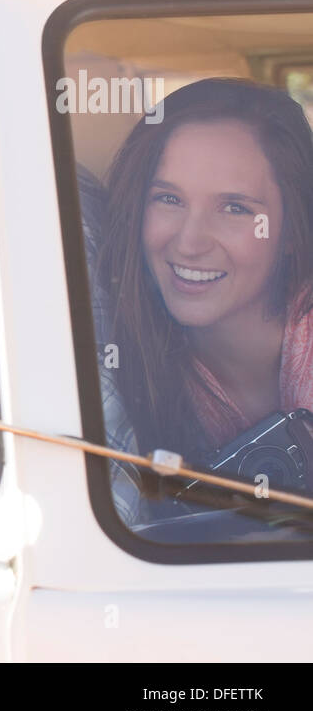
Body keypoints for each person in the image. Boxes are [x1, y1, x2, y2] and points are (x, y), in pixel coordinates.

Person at [96, 77, 313, 473]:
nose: (190, 242)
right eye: (169, 199)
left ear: (292, 231)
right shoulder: (119, 365)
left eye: (234, 208)